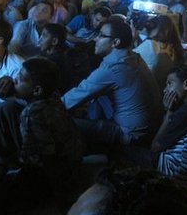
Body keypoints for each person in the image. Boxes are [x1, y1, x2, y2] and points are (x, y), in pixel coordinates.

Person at [0, 58, 83, 214]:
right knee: (6, 109)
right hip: (69, 164)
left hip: (51, 174)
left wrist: (61, 201)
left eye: (20, 79)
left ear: (37, 90)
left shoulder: (31, 115)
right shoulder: (52, 97)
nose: (15, 80)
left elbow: (47, 160)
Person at [62, 19, 163, 150]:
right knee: (97, 96)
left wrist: (46, 109)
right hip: (149, 129)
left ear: (115, 42)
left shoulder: (114, 68)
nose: (95, 39)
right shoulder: (133, 57)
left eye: (101, 36)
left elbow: (72, 98)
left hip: (130, 135)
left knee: (64, 123)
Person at [134, 15, 183, 92]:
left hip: (146, 91)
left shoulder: (150, 45)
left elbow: (127, 61)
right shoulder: (174, 48)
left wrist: (132, 39)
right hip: (161, 91)